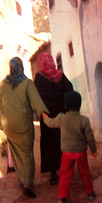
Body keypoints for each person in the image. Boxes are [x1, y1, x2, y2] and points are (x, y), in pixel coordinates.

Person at [0, 57, 49, 198]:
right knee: (27, 153)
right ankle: (27, 183)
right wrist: (44, 114)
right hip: (23, 124)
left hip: (9, 126)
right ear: (21, 67)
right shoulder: (27, 83)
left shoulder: (2, 84)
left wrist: (2, 125)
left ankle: (22, 179)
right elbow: (37, 101)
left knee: (16, 153)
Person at [42, 91, 97, 203]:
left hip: (66, 153)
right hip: (80, 152)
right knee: (85, 172)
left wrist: (45, 118)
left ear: (65, 105)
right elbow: (90, 137)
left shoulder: (62, 118)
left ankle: (61, 198)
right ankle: (90, 193)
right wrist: (93, 149)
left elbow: (51, 123)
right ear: (79, 104)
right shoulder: (84, 120)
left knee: (65, 175)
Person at [34, 52, 73, 185]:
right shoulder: (61, 76)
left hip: (47, 117)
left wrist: (40, 112)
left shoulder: (39, 77)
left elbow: (35, 96)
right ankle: (65, 170)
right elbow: (70, 90)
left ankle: (53, 175)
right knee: (62, 142)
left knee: (49, 144)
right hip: (62, 115)